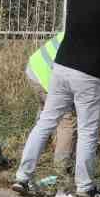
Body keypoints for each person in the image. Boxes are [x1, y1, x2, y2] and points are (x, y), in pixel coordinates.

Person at [13, 0, 100, 197]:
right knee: (87, 130)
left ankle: (23, 177)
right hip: (90, 73)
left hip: (61, 66)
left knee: (46, 121)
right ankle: (84, 186)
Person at [24, 31, 75, 176]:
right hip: (48, 74)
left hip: (34, 67)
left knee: (44, 119)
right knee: (67, 122)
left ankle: (29, 164)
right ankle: (62, 171)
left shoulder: (82, 21)